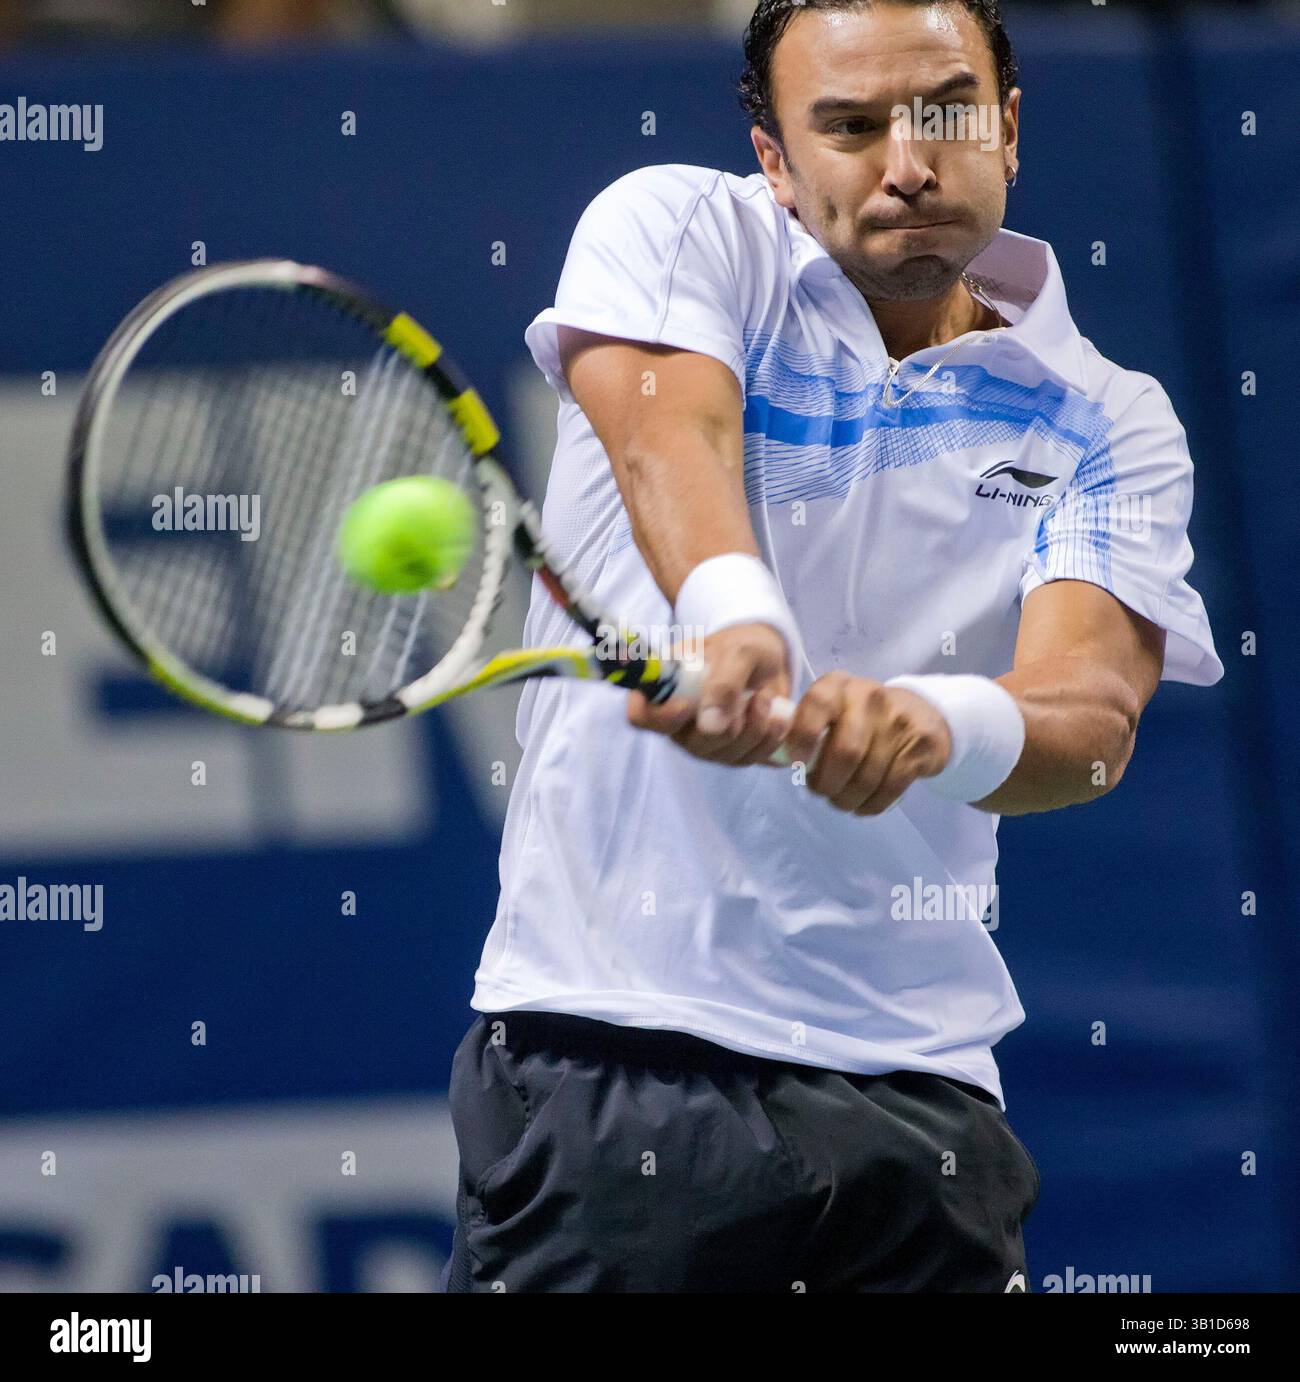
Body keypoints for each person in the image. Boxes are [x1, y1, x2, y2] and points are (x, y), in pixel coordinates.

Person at [443, 0, 1223, 1292]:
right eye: (851, 127)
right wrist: (739, 617)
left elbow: (1090, 719)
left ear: (1010, 126)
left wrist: (934, 725)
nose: (909, 162)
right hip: (622, 1060)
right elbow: (664, 438)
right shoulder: (676, 228)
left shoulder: (1110, 419)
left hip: (926, 1101)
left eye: (947, 113)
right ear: (773, 156)